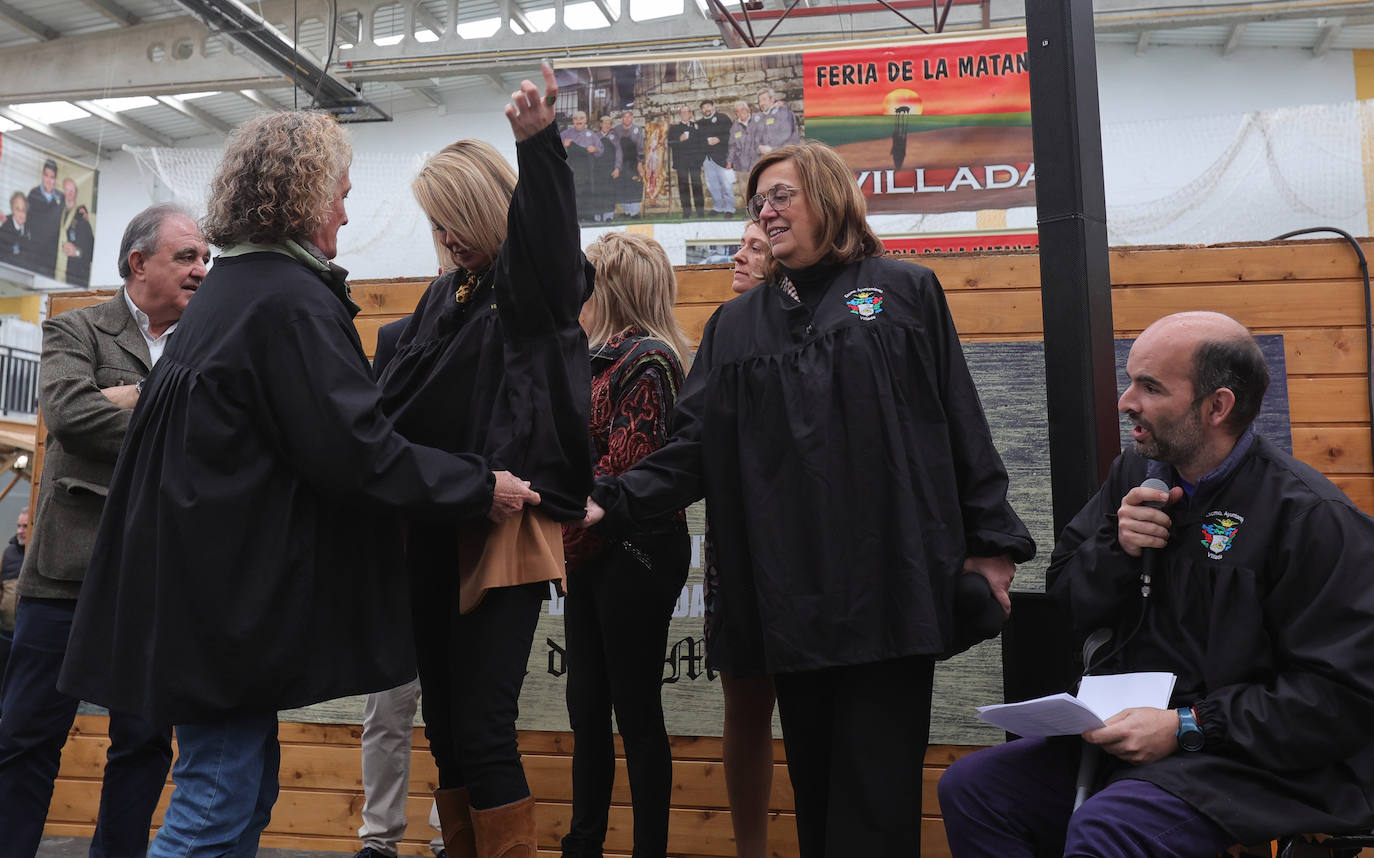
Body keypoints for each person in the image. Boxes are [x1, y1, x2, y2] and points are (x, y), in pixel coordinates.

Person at [58, 110, 541, 857]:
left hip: (198, 596)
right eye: (342, 194)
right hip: (222, 608)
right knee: (216, 803)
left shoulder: (236, 292)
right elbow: (358, 452)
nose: (348, 211)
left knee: (244, 793)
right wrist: (481, 485)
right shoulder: (285, 302)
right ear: (307, 197)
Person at [582, 140, 1033, 857]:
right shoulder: (737, 326)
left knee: (878, 796)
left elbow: (958, 419)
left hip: (890, 581)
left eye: (781, 195)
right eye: (758, 200)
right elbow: (693, 445)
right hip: (793, 596)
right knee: (819, 792)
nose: (766, 210)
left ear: (829, 196)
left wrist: (992, 545)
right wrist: (614, 498)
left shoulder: (904, 289)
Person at [938, 311, 1374, 855]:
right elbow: (1066, 602)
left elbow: (1343, 697)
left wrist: (1190, 724)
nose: (1126, 402)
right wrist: (1116, 549)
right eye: (1130, 381)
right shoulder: (1137, 475)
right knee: (976, 790)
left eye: (1150, 387)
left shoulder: (1311, 518)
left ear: (1217, 407)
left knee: (1113, 828)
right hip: (1136, 742)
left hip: (1259, 761)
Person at [376, 64, 593, 858]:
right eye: (435, 225)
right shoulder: (446, 296)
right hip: (438, 522)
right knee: (446, 722)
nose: (445, 238)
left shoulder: (527, 288)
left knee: (482, 723)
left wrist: (541, 147)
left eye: (453, 219)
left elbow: (548, 238)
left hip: (502, 529)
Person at [0, 204, 207, 858]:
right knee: (25, 738)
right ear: (138, 262)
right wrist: (163, 414)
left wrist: (121, 399)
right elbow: (68, 416)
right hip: (64, 579)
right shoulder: (76, 330)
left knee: (144, 745)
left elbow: (216, 436)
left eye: (206, 258)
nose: (202, 270)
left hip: (155, 585)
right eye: (186, 258)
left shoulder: (211, 343)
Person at [559, 232, 691, 858]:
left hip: (636, 549)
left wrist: (554, 548)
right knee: (585, 703)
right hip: (592, 545)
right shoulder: (593, 357)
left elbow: (622, 476)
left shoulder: (650, 358)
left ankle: (648, 849)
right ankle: (583, 843)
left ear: (609, 283)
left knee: (632, 707)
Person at [354, 317, 445, 858]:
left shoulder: (504, 331)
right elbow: (372, 436)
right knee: (386, 706)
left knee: (455, 710)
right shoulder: (396, 337)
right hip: (401, 547)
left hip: (465, 539)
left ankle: (446, 832)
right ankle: (379, 838)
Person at [708, 221, 782, 858]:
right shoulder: (724, 329)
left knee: (820, 711)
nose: (740, 253)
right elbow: (693, 441)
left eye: (756, 246)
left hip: (810, 550)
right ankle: (750, 850)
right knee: (745, 704)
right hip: (738, 548)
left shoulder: (858, 306)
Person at [0, 509, 29, 684]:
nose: (19, 530)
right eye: (19, 526)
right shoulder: (8, 553)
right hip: (5, 633)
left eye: (25, 526)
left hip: (27, 634)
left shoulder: (36, 553)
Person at [561, 110, 603, 223]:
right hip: (571, 168)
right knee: (572, 192)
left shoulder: (592, 135)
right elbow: (554, 150)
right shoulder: (565, 134)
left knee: (587, 191)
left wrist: (595, 149)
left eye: (581, 118)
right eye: (575, 119)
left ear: (585, 120)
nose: (578, 121)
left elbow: (601, 150)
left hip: (587, 170)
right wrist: (563, 146)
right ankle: (574, 217)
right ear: (573, 121)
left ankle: (588, 216)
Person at [697, 100, 734, 217]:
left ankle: (729, 209)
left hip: (722, 157)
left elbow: (731, 135)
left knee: (726, 184)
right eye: (703, 107)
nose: (706, 109)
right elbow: (697, 141)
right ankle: (717, 207)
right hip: (707, 159)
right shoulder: (700, 123)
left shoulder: (723, 118)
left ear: (713, 107)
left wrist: (719, 139)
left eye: (708, 106)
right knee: (712, 185)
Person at [26, 159, 62, 277]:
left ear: (55, 179)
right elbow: (25, 220)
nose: (49, 180)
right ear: (42, 175)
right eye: (46, 175)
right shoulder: (33, 194)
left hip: (51, 257)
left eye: (52, 177)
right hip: (33, 253)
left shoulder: (61, 198)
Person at [667, 106, 704, 219]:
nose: (684, 114)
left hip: (695, 162)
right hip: (681, 162)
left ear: (690, 113)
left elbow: (702, 143)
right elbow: (670, 143)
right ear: (680, 114)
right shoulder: (674, 128)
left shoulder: (697, 126)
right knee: (683, 187)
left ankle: (700, 212)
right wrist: (679, 140)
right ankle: (686, 211)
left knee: (697, 185)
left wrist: (700, 159)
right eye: (682, 112)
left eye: (686, 112)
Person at [611, 111, 646, 218]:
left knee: (634, 185)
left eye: (628, 117)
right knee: (622, 186)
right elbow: (614, 146)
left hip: (633, 161)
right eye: (624, 117)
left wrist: (640, 162)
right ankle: (626, 211)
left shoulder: (637, 129)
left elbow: (641, 146)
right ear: (622, 119)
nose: (626, 119)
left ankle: (634, 212)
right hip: (621, 161)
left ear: (632, 118)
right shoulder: (616, 130)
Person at [61, 179, 94, 287]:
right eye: (67, 190)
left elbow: (90, 251)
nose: (70, 194)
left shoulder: (82, 218)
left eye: (72, 191)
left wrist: (77, 252)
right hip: (57, 273)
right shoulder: (57, 214)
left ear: (76, 194)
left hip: (78, 276)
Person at [726, 102, 757, 203]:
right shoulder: (734, 127)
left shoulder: (758, 121)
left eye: (742, 109)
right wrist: (729, 161)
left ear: (748, 109)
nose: (740, 112)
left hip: (757, 161)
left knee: (758, 186)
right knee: (744, 188)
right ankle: (750, 211)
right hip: (741, 164)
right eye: (737, 111)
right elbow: (732, 146)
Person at [754, 89, 800, 157]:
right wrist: (759, 147)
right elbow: (756, 138)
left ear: (772, 99)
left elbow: (786, 134)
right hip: (769, 156)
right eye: (760, 101)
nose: (761, 103)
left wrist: (771, 148)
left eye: (764, 99)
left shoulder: (783, 111)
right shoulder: (761, 117)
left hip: (787, 155)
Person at [0, 192, 33, 271]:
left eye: (23, 209)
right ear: (12, 210)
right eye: (17, 209)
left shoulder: (31, 227)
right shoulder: (4, 229)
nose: (21, 213)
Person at [595, 115, 619, 222]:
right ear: (601, 124)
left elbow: (619, 153)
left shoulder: (615, 137)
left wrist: (617, 168)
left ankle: (608, 215)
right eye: (605, 123)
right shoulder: (595, 137)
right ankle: (597, 215)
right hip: (598, 170)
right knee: (598, 192)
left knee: (609, 192)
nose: (607, 125)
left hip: (610, 169)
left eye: (609, 123)